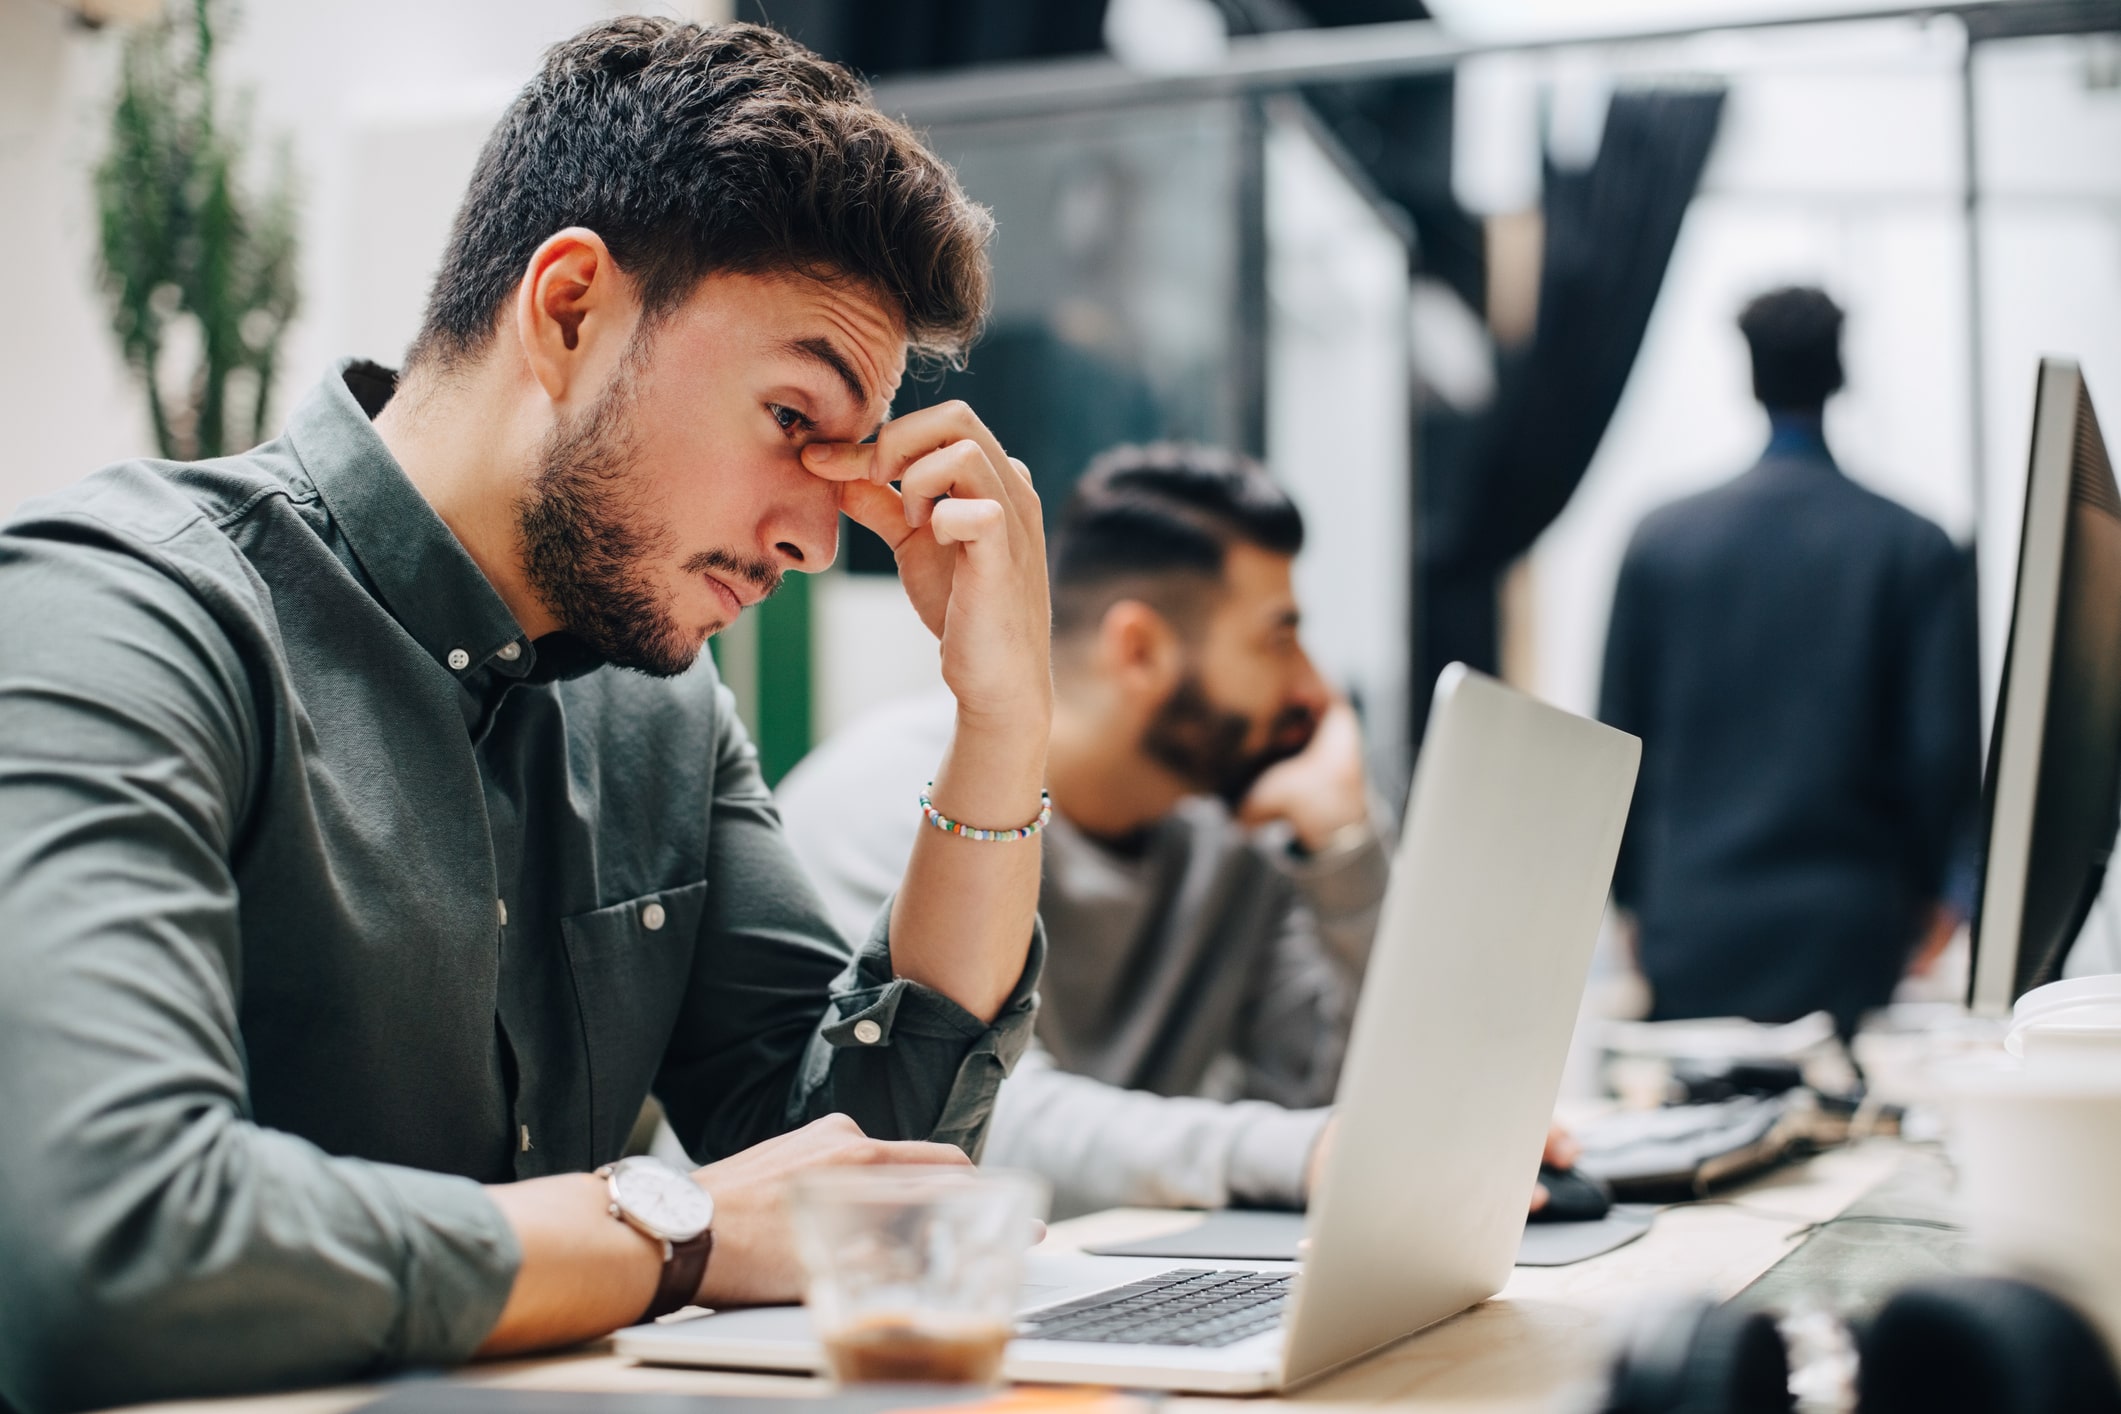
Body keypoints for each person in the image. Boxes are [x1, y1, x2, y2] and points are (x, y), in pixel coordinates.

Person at [0, 22, 1057, 1411]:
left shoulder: (660, 699)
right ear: (568, 310)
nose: (819, 533)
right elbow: (111, 1242)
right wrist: (661, 1226)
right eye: (794, 416)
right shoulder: (119, 613)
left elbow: (853, 1177)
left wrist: (1001, 719)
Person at [786, 444, 1432, 1216]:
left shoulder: (1236, 838)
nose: (1311, 689)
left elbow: (1340, 1102)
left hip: (1093, 1283)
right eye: (1276, 638)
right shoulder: (887, 801)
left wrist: (1343, 847)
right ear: (1140, 650)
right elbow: (968, 1125)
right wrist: (1303, 1152)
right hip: (802, 1303)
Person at [1598, 286, 1981, 1036]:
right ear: (1839, 376)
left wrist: (1630, 904)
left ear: (1751, 379)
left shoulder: (1660, 542)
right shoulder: (1913, 545)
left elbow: (1616, 744)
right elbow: (1941, 754)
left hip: (1691, 926)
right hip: (1851, 930)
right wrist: (1946, 896)